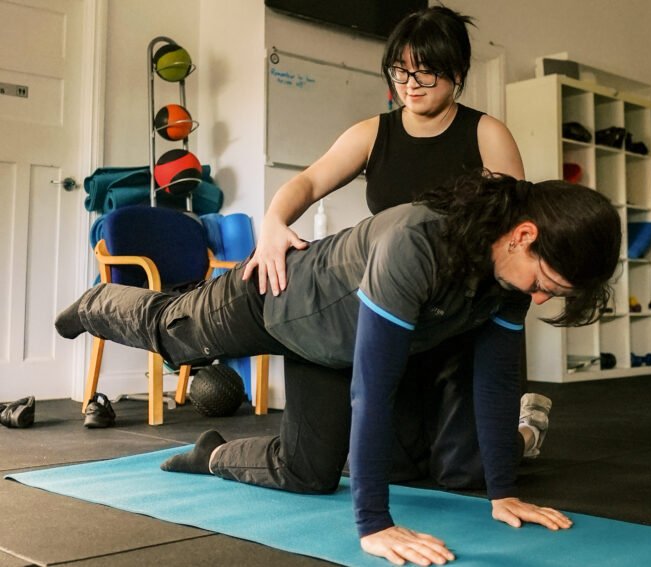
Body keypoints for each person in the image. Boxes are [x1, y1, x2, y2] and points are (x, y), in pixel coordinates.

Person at [56, 174, 622, 566]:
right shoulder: (417, 242)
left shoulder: (507, 282)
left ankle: (213, 453)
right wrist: (374, 524)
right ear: (525, 237)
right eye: (548, 284)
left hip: (329, 346)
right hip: (273, 296)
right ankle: (95, 302)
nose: (543, 299)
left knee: (308, 473)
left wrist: (502, 491)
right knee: (171, 335)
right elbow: (374, 390)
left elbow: (497, 383)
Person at [247, 6, 542, 475]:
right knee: (396, 468)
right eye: (401, 71)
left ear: (458, 73)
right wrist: (271, 226)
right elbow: (306, 182)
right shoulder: (372, 133)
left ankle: (525, 429)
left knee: (467, 471)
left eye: (427, 74)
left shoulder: (486, 133)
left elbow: (512, 234)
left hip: (462, 317)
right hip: (401, 310)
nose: (411, 85)